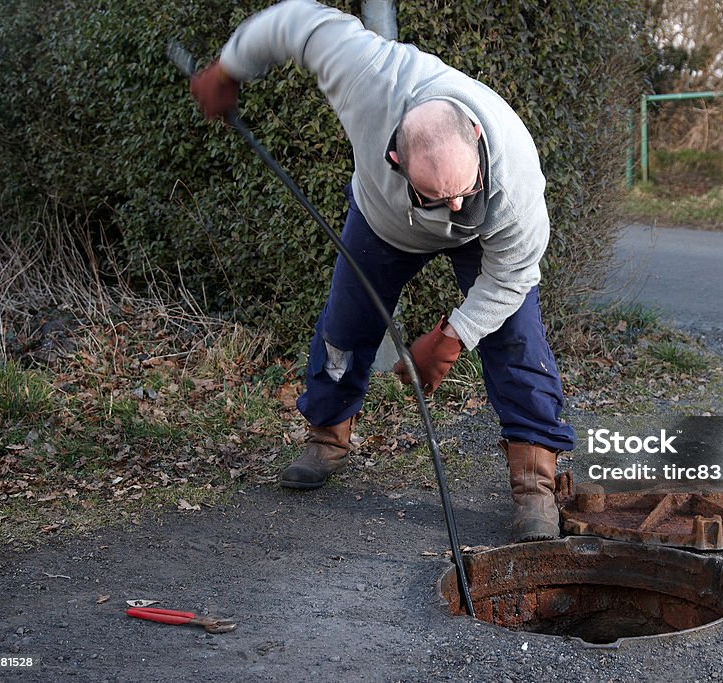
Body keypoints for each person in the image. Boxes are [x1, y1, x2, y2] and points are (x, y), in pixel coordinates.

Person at [190, 0, 576, 542]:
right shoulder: (368, 75)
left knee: (517, 340)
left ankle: (535, 484)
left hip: (486, 243)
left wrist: (453, 335)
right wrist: (228, 68)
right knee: (346, 325)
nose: (457, 209)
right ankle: (327, 435)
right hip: (382, 222)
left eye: (465, 193)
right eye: (440, 199)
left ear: (476, 139)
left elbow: (512, 275)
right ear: (396, 158)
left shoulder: (514, 177)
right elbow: (294, 23)